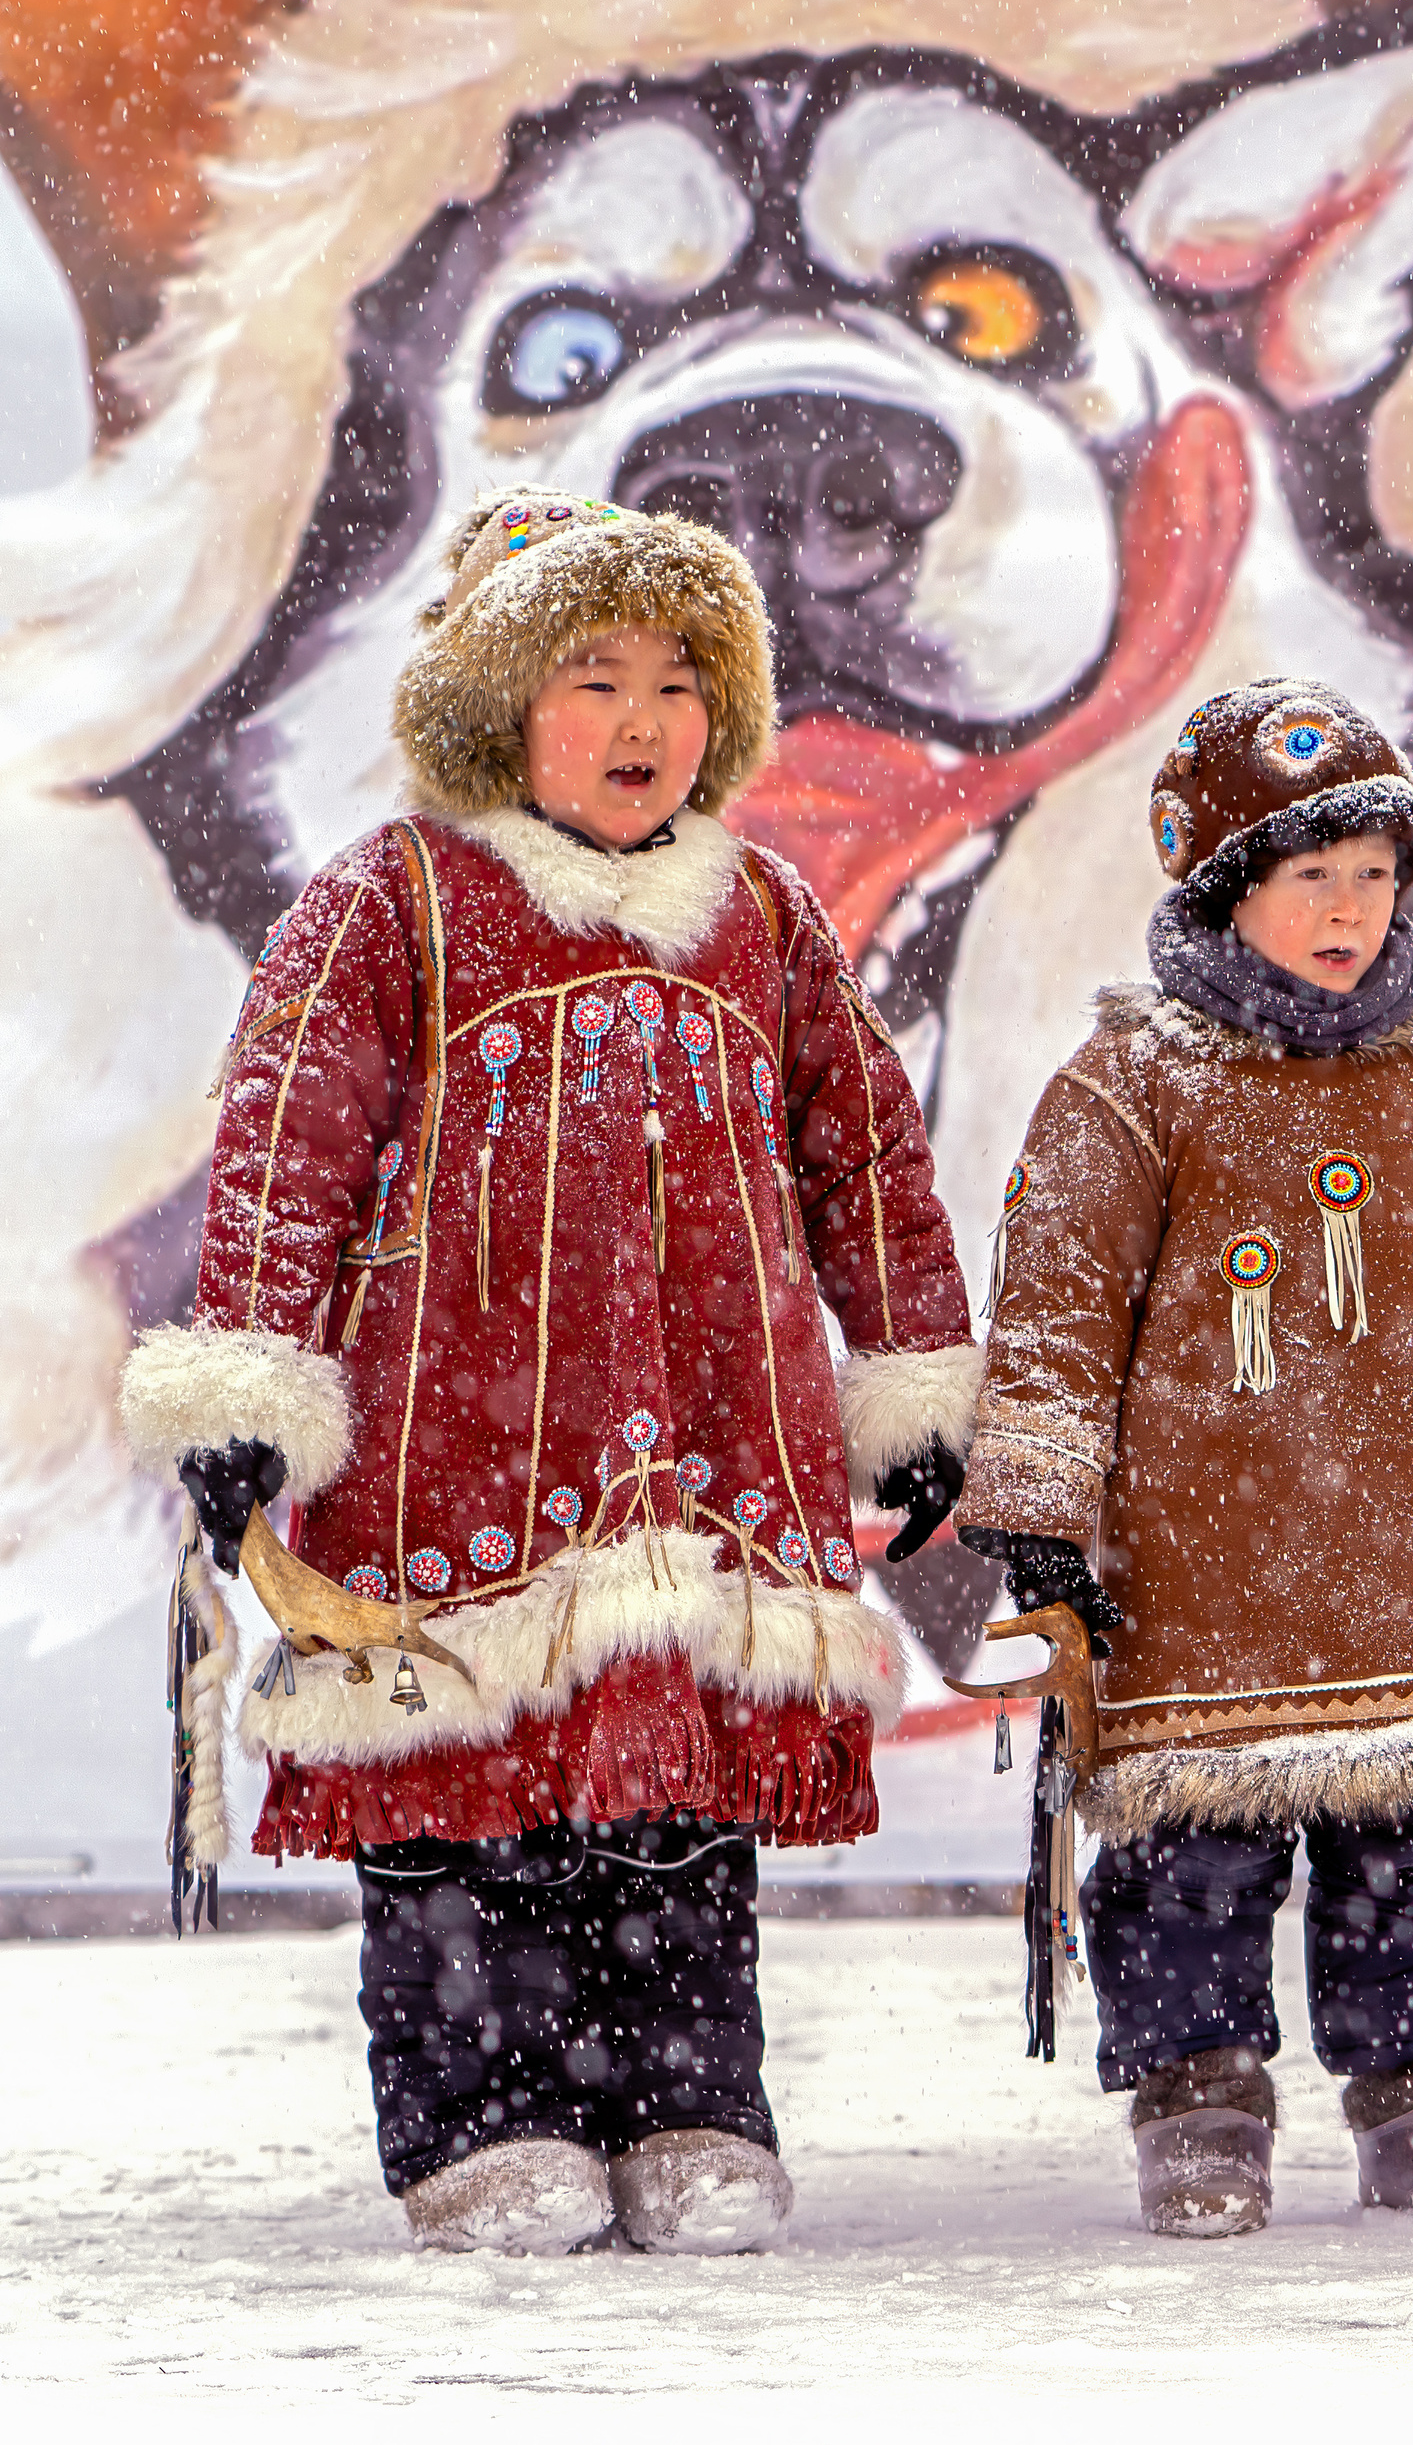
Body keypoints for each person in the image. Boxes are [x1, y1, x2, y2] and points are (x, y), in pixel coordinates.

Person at [120, 489, 979, 2254]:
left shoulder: (765, 916)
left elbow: (866, 1151)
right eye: (595, 675)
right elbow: (287, 1144)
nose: (647, 720)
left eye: (681, 679)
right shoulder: (394, 900)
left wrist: (908, 1371)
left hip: (706, 1445)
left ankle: (685, 2095)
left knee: (667, 1804)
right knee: (472, 1789)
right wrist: (246, 1397)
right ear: (495, 701)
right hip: (455, 1449)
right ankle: (478, 2114)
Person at [952, 677, 1413, 2238]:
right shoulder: (1133, 1085)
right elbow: (1058, 1310)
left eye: (1374, 875)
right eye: (1307, 877)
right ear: (1222, 887)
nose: (1349, 911)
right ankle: (1199, 2099)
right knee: (1189, 1864)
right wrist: (1041, 1522)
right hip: (1207, 1564)